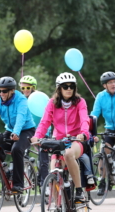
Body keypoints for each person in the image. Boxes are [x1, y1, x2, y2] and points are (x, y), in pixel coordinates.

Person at [31, 72, 90, 203]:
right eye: (65, 86)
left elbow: (84, 119)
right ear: (59, 88)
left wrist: (84, 133)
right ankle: (58, 208)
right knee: (53, 172)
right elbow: (44, 122)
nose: (69, 89)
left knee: (68, 154)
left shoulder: (80, 102)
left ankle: (79, 191)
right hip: (58, 141)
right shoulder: (52, 103)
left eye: (71, 86)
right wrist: (37, 136)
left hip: (76, 140)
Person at [19, 75, 51, 190]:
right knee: (22, 153)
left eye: (28, 88)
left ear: (33, 88)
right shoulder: (21, 100)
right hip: (28, 131)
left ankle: (44, 184)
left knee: (43, 159)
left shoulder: (40, 98)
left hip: (42, 131)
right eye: (23, 88)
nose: (25, 91)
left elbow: (47, 115)